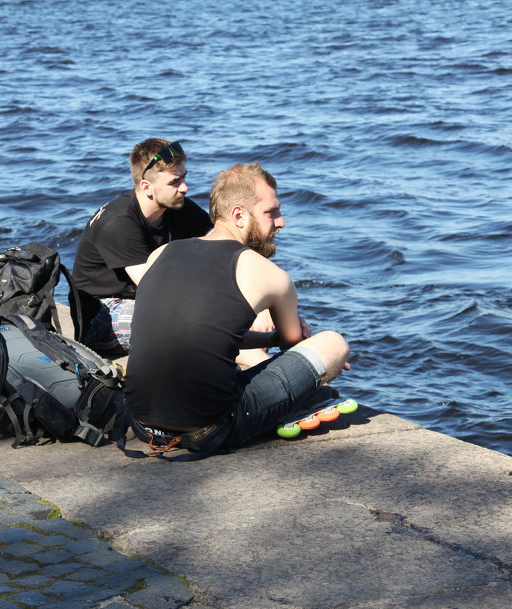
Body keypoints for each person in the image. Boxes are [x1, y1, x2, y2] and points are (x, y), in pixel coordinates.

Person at [123, 162, 351, 456]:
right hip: (210, 430)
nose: (281, 222)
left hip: (141, 424)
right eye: (272, 213)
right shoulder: (269, 274)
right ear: (239, 215)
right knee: (333, 344)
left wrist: (268, 339)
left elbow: (202, 332)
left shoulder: (161, 254)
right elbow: (294, 348)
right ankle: (297, 403)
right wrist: (319, 361)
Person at [72, 138, 212, 357]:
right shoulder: (118, 222)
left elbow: (223, 244)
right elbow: (156, 287)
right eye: (175, 182)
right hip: (100, 315)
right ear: (147, 187)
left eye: (184, 177)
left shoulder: (177, 207)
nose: (184, 188)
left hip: (141, 301)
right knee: (188, 320)